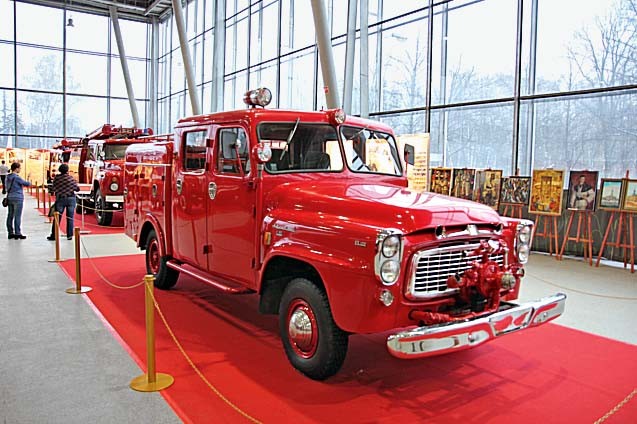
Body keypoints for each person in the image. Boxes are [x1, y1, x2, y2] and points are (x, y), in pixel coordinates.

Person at [47, 163, 80, 241]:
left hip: (60, 199)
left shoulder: (57, 178)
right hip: (71, 199)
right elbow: (77, 189)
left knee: (57, 217)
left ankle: (54, 235)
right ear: (67, 170)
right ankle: (69, 235)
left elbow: (53, 188)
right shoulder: (70, 178)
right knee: (70, 218)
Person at [5, 162, 31, 239]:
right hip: (18, 197)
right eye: (19, 168)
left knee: (10, 215)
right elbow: (27, 184)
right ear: (16, 169)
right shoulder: (17, 177)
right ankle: (17, 233)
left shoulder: (7, 177)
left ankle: (10, 232)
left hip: (10, 197)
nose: (20, 169)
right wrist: (28, 178)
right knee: (17, 215)